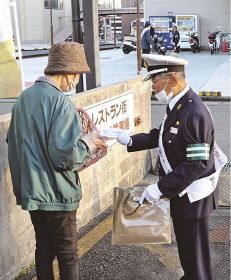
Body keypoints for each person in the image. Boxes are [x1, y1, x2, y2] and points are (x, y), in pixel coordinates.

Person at [101, 54, 227, 280]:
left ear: (171, 79)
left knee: (196, 260)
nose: (152, 87)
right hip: (183, 195)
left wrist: (159, 188)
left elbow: (196, 163)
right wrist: (130, 140)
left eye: (155, 81)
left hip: (193, 199)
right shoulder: (178, 105)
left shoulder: (193, 112)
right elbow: (162, 136)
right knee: (189, 256)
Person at [7, 42, 107, 280]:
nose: (76, 81)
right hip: (57, 194)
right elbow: (65, 157)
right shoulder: (61, 103)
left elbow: (14, 141)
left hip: (31, 191)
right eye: (77, 75)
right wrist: (90, 142)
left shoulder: (23, 98)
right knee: (67, 254)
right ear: (67, 72)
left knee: (43, 249)